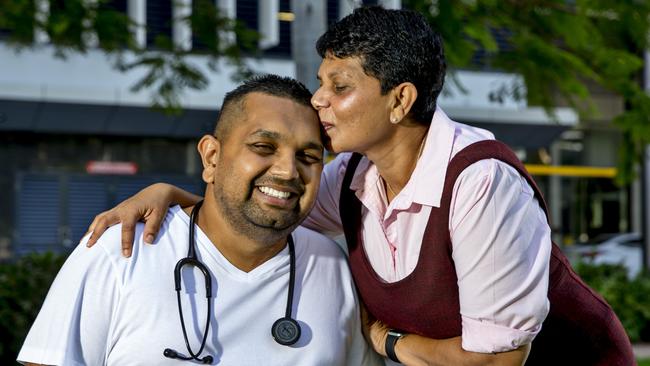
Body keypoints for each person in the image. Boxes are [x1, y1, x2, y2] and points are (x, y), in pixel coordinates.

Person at [86, 6, 635, 366]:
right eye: (321, 83)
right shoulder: (349, 178)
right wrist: (170, 193)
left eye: (339, 86)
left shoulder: (478, 182)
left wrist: (387, 341)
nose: (317, 100)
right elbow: (267, 200)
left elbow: (495, 361)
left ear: (400, 100)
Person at [17, 75, 381, 366]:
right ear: (211, 157)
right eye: (263, 147)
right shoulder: (119, 251)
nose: (288, 170)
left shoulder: (332, 267)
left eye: (308, 155)